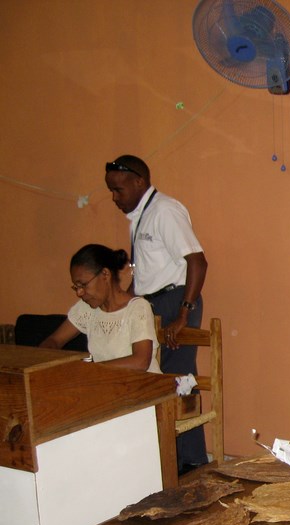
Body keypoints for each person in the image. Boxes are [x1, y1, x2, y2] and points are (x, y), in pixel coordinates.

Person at [105, 154, 209, 472]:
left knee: (179, 381)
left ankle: (191, 460)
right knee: (161, 381)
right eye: (111, 190)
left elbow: (197, 261)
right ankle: (169, 457)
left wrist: (183, 314)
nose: (114, 197)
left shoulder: (165, 210)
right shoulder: (141, 216)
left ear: (139, 181)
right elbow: (147, 274)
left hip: (176, 301)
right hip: (152, 304)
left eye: (119, 189)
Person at [39, 244, 161, 373]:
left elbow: (141, 362)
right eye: (76, 287)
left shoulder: (137, 308)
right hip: (105, 381)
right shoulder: (86, 308)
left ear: (105, 274)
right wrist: (42, 356)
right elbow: (55, 340)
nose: (79, 293)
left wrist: (90, 369)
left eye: (83, 285)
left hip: (142, 383)